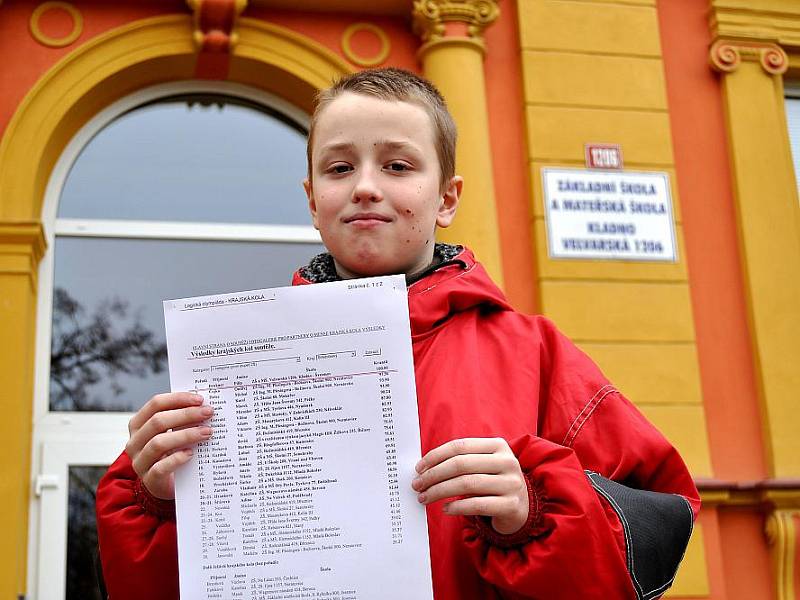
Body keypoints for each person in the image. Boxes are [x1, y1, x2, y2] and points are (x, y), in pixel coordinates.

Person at [96, 67, 699, 600]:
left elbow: (662, 519)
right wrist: (158, 500)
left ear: (446, 198)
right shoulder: (241, 360)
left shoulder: (533, 351)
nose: (364, 185)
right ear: (313, 200)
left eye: (397, 165)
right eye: (339, 167)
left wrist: (533, 511)